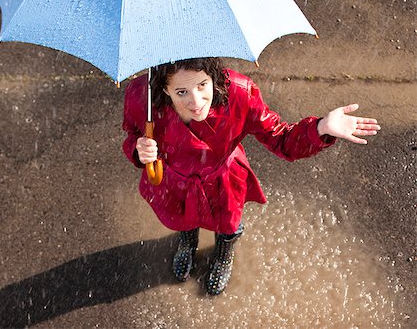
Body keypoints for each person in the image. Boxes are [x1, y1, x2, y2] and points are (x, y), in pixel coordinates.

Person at [122, 57, 380, 295]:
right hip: (175, 182)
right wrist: (138, 148)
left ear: (213, 76)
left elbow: (282, 139)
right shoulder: (141, 98)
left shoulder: (239, 92)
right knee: (185, 217)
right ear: (164, 89)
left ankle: (223, 254)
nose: (196, 101)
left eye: (203, 85)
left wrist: (321, 127)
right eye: (181, 92)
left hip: (221, 180)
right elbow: (132, 135)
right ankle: (187, 242)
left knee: (227, 223)